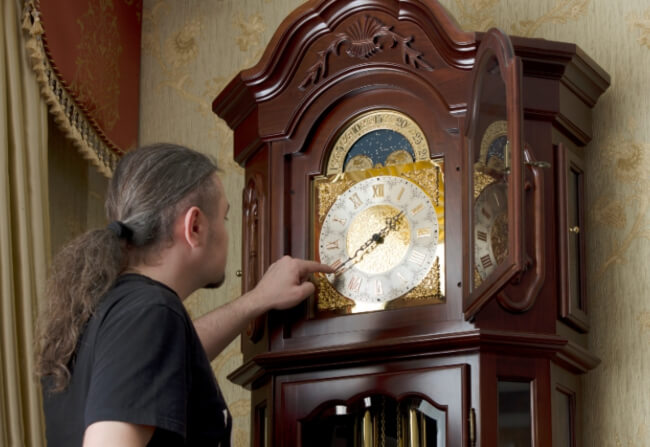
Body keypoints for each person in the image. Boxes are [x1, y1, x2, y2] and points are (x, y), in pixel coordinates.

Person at [35, 143, 333, 446]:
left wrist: (257, 300)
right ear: (195, 226)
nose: (228, 232)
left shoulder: (112, 312)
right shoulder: (150, 313)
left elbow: (170, 358)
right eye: (225, 218)